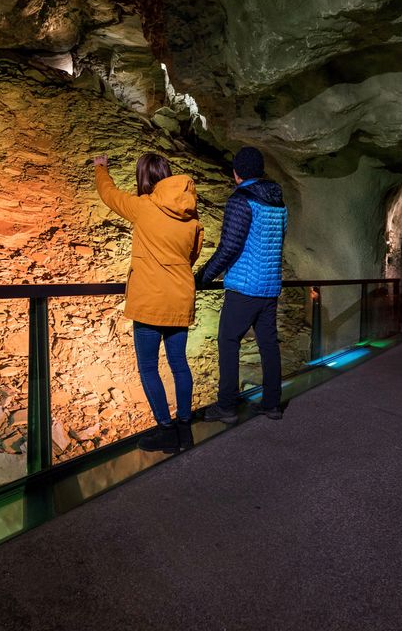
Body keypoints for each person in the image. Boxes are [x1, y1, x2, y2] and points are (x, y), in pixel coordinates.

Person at [94, 153, 204, 453]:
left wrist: (101, 167)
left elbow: (109, 195)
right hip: (180, 297)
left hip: (150, 301)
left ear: (143, 177)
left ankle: (166, 431)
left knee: (148, 367)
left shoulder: (144, 207)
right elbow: (192, 255)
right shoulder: (192, 217)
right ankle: (185, 430)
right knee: (180, 365)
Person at [196, 146, 287, 423]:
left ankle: (226, 406)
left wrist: (202, 277)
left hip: (245, 287)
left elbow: (229, 247)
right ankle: (272, 404)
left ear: (237, 173)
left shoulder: (241, 200)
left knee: (228, 340)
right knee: (268, 344)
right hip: (270, 286)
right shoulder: (278, 200)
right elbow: (279, 239)